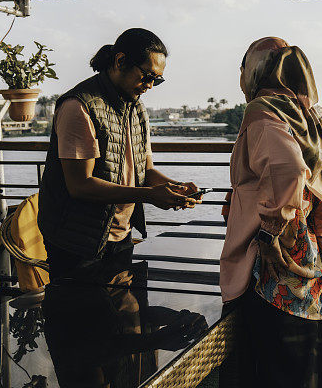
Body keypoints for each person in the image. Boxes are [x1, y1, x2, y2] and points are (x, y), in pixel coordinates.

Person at [220, 37, 322, 388]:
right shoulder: (305, 117)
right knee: (303, 366)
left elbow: (289, 170)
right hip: (305, 255)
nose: (240, 73)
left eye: (244, 65)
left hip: (270, 264)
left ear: (259, 69)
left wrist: (270, 232)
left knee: (270, 367)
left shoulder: (262, 111)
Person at [38, 28, 201, 281]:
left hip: (120, 234)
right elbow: (80, 185)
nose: (149, 86)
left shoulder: (136, 108)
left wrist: (174, 187)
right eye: (146, 76)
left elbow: (144, 172)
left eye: (156, 80)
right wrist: (149, 196)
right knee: (76, 316)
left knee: (124, 313)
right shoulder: (79, 106)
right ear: (120, 61)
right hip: (75, 240)